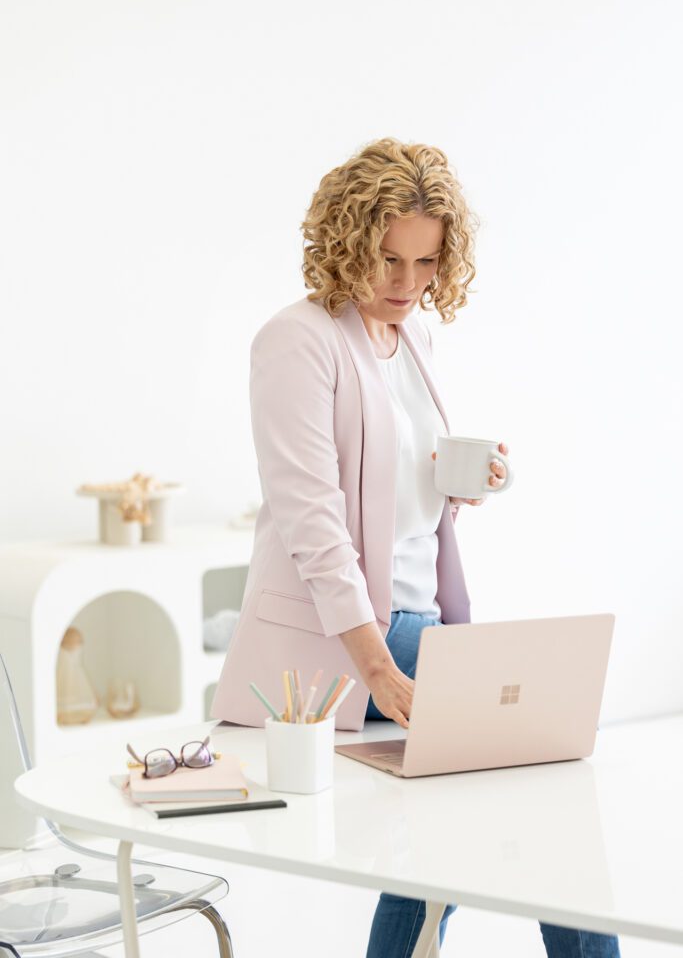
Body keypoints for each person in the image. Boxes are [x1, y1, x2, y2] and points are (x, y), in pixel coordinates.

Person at [211, 137, 621, 957]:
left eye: (426, 262)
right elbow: (312, 517)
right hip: (345, 640)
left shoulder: (415, 339)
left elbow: (392, 483)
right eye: (387, 261)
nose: (407, 285)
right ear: (344, 245)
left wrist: (457, 481)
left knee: (451, 812)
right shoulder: (296, 341)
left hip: (421, 618)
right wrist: (373, 664)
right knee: (529, 767)